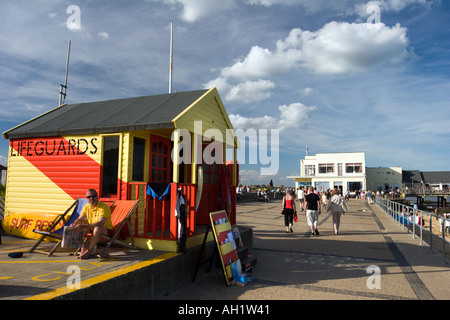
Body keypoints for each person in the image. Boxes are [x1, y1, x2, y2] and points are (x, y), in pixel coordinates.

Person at [71, 189, 113, 259]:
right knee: (75, 228)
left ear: (97, 197)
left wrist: (83, 226)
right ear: (86, 198)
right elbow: (80, 219)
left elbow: (100, 223)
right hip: (91, 228)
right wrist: (74, 224)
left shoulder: (103, 206)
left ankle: (89, 251)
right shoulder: (86, 206)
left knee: (97, 229)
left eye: (93, 196)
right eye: (88, 197)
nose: (91, 198)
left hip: (105, 230)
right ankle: (83, 248)